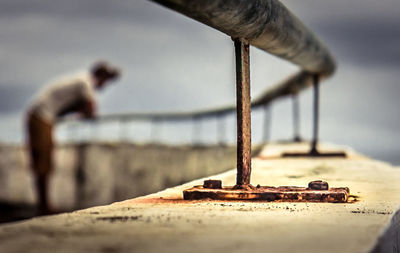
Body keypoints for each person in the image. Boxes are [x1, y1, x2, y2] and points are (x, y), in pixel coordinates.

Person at [26, 61, 120, 215]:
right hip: (41, 117)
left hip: (42, 116)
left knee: (43, 162)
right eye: (106, 80)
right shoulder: (86, 83)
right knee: (43, 162)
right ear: (100, 76)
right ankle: (43, 206)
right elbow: (90, 111)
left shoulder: (80, 81)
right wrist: (85, 111)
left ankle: (43, 205)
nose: (106, 85)